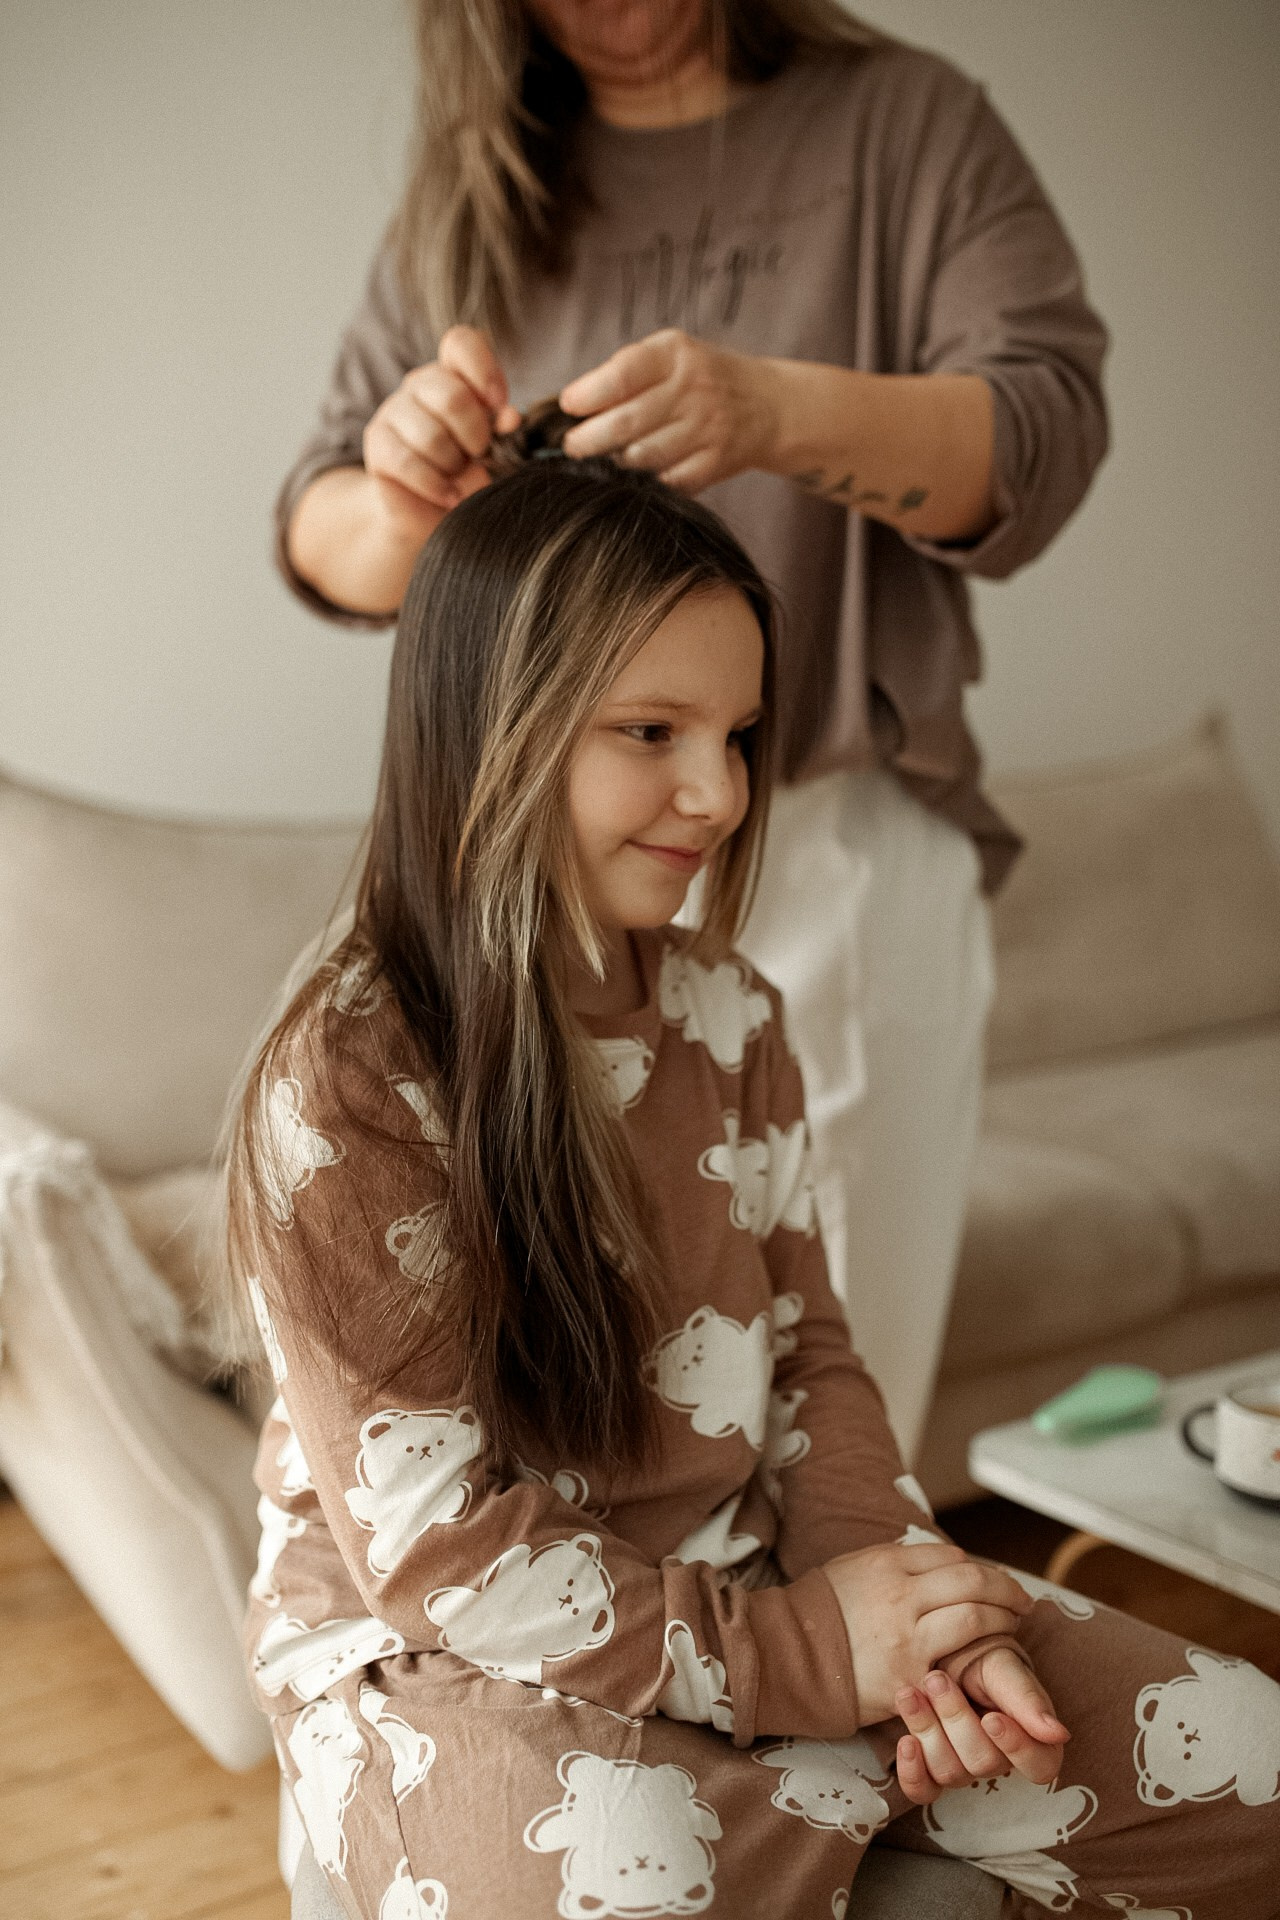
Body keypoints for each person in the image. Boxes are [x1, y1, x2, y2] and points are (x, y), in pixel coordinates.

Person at [231, 427, 1280, 1918]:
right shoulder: (345, 1086)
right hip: (457, 1652)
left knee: (1247, 1752)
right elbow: (444, 1555)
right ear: (487, 728)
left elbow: (811, 1365)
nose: (719, 795)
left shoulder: (734, 1016)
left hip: (752, 1573)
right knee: (625, 1882)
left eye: (736, 736)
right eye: (651, 733)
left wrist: (904, 1607)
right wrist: (804, 1661)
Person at [271, 0, 1110, 1461]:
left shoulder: (903, 126)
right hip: (536, 896)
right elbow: (318, 536)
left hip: (835, 861)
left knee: (817, 1413)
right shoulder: (478, 183)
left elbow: (1043, 438)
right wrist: (400, 501)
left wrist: (779, 412)